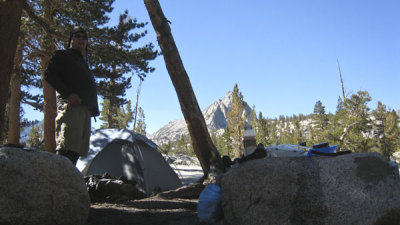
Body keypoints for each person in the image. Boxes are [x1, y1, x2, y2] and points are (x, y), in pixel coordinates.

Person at [44, 26, 99, 165]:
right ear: (71, 39)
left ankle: (66, 184)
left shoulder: (82, 62)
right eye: (77, 36)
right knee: (66, 151)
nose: (81, 39)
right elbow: (49, 74)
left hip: (84, 111)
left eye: (84, 37)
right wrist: (68, 94)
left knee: (75, 152)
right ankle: (58, 185)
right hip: (72, 108)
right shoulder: (63, 55)